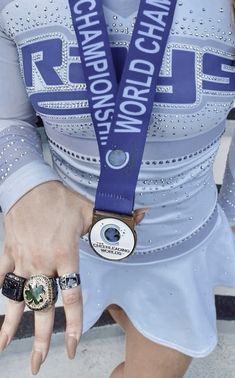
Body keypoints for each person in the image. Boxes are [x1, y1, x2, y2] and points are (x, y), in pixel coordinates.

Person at [0, 1, 235, 377]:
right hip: (75, 250)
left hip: (180, 252)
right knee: (124, 314)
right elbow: (8, 117)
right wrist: (25, 187)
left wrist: (233, 212)